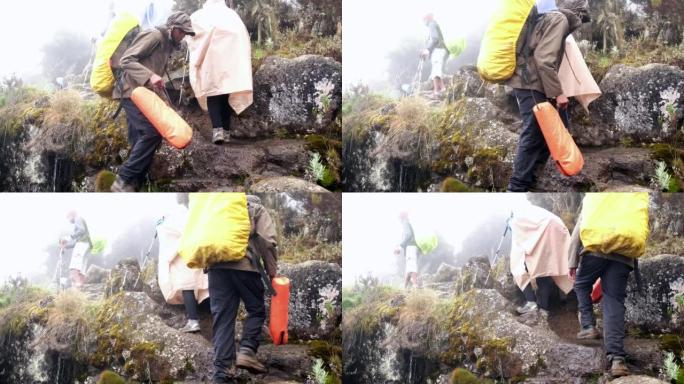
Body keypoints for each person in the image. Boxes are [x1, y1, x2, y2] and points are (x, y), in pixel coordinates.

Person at [506, 0, 592, 192]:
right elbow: (544, 60)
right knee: (533, 132)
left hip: (530, 81)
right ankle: (517, 187)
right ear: (578, 11)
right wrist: (559, 93)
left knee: (545, 133)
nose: (581, 20)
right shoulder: (559, 19)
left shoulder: (548, 17)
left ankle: (530, 181)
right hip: (530, 82)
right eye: (582, 16)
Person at [111, 12, 196, 192]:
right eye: (181, 32)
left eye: (186, 33)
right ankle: (123, 179)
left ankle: (133, 185)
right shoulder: (154, 36)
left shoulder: (168, 46)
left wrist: (168, 107)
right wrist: (150, 76)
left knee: (138, 140)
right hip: (130, 92)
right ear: (172, 28)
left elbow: (155, 81)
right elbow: (126, 60)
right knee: (152, 134)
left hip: (142, 94)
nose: (183, 36)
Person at [208, 195, 278, 383]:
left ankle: (222, 373)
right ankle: (247, 350)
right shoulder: (256, 208)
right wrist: (272, 271)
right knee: (256, 310)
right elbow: (267, 240)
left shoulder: (218, 209)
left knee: (222, 318)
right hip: (245, 266)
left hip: (216, 269)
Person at [568, 208, 639, 377]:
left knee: (581, 284)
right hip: (623, 255)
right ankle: (618, 360)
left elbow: (578, 230)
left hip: (595, 251)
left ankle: (588, 326)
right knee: (614, 300)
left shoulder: (597, 201)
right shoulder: (629, 202)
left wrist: (572, 262)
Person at [187, 0, 253, 144]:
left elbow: (192, 36)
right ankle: (226, 132)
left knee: (213, 93)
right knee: (225, 95)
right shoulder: (232, 15)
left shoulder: (199, 15)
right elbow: (242, 37)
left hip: (211, 62)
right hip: (230, 62)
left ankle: (218, 131)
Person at [509, 203, 573, 323]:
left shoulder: (517, 217)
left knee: (517, 267)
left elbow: (518, 247)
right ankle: (544, 308)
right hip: (557, 228)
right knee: (547, 269)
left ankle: (531, 302)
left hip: (543, 232)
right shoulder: (534, 211)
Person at [157, 193, 209, 333]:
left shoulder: (175, 216)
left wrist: (160, 226)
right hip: (196, 253)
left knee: (187, 287)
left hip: (183, 255)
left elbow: (171, 236)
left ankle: (193, 321)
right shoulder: (196, 214)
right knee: (200, 284)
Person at [61, 210, 92, 289]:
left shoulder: (78, 218)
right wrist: (66, 246)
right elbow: (76, 243)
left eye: (68, 218)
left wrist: (69, 237)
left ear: (72, 215)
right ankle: (81, 285)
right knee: (82, 267)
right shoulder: (80, 220)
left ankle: (77, 284)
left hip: (82, 244)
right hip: (87, 245)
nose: (69, 220)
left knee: (74, 266)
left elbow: (81, 230)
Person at [420, 13, 448, 98]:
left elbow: (435, 39)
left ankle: (438, 90)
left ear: (427, 18)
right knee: (435, 68)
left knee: (436, 67)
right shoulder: (433, 25)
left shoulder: (432, 24)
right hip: (439, 49)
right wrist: (427, 51)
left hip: (438, 49)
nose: (423, 21)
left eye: (424, 19)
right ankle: (440, 89)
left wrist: (427, 50)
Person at [395, 212, 420, 289]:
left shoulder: (405, 223)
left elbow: (408, 235)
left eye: (399, 217)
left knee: (411, 266)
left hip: (410, 247)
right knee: (409, 268)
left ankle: (415, 286)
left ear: (401, 217)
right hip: (412, 247)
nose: (399, 219)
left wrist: (400, 246)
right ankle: (405, 288)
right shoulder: (409, 223)